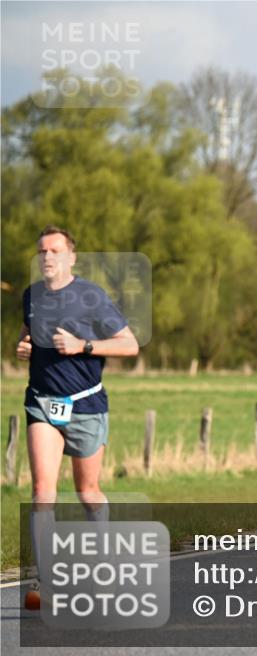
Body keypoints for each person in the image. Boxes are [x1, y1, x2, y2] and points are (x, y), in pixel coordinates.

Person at [17, 226, 140, 609]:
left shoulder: (91, 296)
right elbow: (27, 334)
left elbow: (130, 344)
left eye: (55, 250)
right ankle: (45, 581)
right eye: (42, 252)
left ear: (71, 257)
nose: (47, 257)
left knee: (88, 493)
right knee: (42, 493)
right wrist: (22, 346)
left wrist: (82, 345)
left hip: (85, 404)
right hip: (42, 402)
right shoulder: (31, 296)